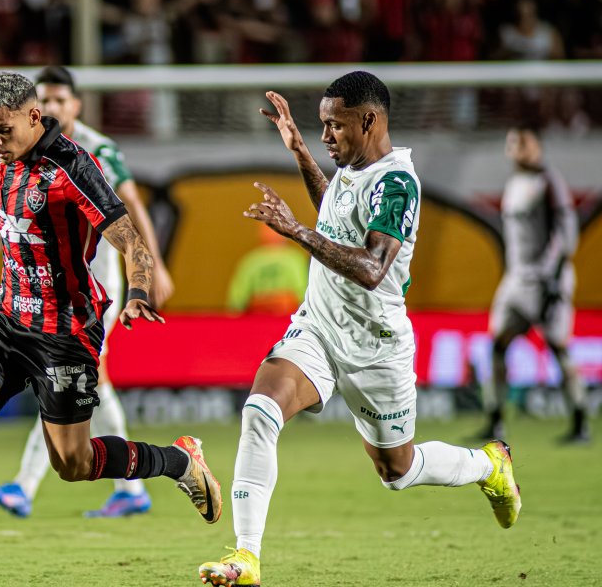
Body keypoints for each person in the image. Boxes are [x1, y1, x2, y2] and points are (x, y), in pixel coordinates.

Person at [0, 71, 221, 587]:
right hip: (7, 317)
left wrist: (138, 293)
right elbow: (0, 207)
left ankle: (179, 462)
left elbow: (130, 240)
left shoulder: (74, 167)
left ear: (33, 116)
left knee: (73, 463)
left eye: (2, 130)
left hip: (65, 330)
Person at [195, 71, 521, 586]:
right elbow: (335, 213)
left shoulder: (397, 184)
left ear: (369, 120)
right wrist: (301, 153)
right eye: (321, 125)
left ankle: (489, 465)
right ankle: (246, 557)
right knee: (259, 411)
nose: (326, 135)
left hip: (376, 347)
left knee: (397, 471)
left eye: (334, 125)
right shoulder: (352, 168)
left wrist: (295, 231)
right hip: (319, 329)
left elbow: (372, 268)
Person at [0, 65, 174, 519]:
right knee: (74, 380)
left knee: (71, 377)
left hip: (92, 287)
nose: (52, 107)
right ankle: (126, 488)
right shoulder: (19, 152)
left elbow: (131, 206)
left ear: (76, 105)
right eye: (46, 100)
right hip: (50, 291)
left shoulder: (96, 150)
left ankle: (29, 486)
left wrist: (154, 266)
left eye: (59, 100)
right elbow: (9, 214)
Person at [480, 126, 588, 444]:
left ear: (537, 146)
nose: (516, 149)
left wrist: (554, 279)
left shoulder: (549, 182)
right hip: (516, 278)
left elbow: (566, 235)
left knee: (558, 348)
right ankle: (495, 421)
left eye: (522, 143)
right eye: (512, 143)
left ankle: (580, 421)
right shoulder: (514, 184)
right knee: (497, 345)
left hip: (546, 279)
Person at [226, 224, 309, 315]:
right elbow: (237, 303)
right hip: (256, 321)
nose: (271, 232)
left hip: (289, 319)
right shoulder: (250, 261)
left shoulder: (295, 259)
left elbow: (303, 297)